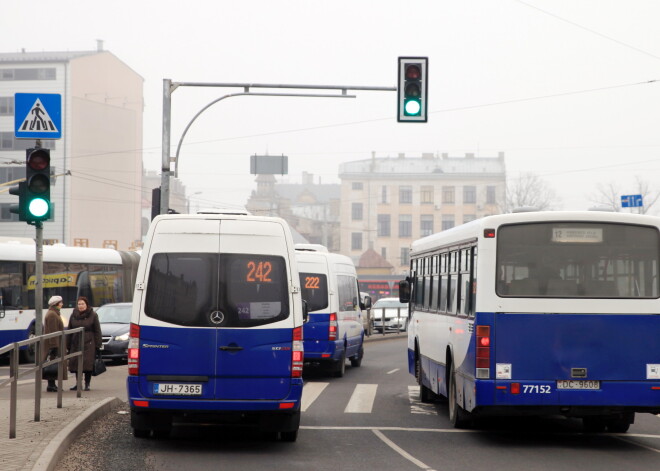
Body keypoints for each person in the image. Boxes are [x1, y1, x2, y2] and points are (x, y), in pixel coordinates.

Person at [67, 296, 102, 391]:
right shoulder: (73, 315)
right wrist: (68, 344)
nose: (81, 306)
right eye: (79, 304)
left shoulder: (93, 315)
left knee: (87, 364)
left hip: (89, 342)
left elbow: (97, 330)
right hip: (76, 342)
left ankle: (87, 384)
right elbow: (69, 329)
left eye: (82, 304)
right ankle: (78, 384)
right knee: (76, 363)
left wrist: (98, 345)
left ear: (86, 304)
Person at [43, 295, 67, 392]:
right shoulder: (52, 314)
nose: (62, 304)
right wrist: (54, 346)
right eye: (61, 302)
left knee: (52, 363)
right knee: (52, 363)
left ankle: (52, 384)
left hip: (54, 343)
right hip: (53, 343)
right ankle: (51, 385)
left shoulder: (53, 313)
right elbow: (53, 332)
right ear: (56, 304)